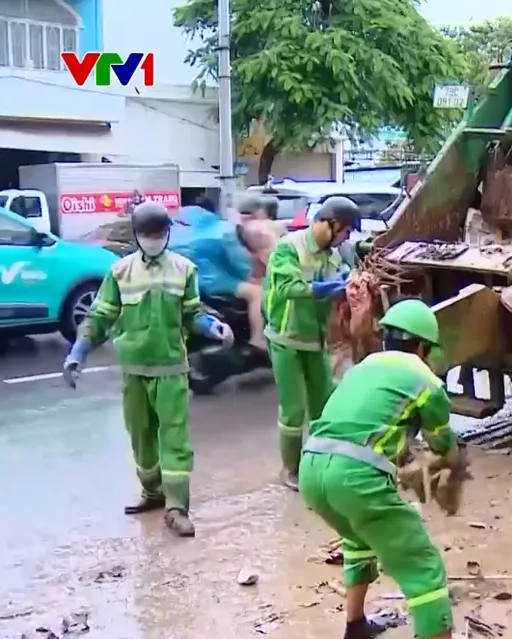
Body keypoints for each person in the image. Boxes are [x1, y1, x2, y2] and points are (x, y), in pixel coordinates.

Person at [62, 201, 234, 538]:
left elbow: (192, 314)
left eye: (159, 233)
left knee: (174, 438)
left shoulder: (184, 269)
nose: (154, 239)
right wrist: (77, 352)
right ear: (137, 236)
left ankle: (177, 507)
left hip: (170, 367)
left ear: (167, 233)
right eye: (147, 234)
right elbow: (99, 317)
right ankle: (153, 493)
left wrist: (213, 326)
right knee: (141, 436)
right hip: (134, 369)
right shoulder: (120, 272)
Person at [299, 298, 460, 639]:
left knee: (358, 538)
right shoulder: (425, 380)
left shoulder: (363, 367)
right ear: (423, 346)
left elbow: (368, 423)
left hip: (311, 468)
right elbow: (441, 443)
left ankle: (355, 626)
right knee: (423, 565)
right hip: (354, 476)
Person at [263, 195, 359, 490]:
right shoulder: (289, 247)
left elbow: (346, 276)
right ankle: (289, 469)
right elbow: (288, 288)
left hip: (315, 338)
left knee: (325, 403)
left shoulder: (334, 254)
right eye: (344, 232)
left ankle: (321, 461)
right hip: (286, 337)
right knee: (293, 409)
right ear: (329, 223)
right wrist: (328, 287)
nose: (346, 238)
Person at [174, 205, 267, 350]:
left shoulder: (179, 231)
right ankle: (257, 341)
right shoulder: (224, 231)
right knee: (257, 293)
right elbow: (241, 265)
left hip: (184, 279)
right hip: (211, 280)